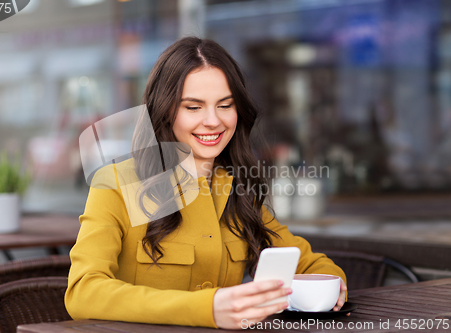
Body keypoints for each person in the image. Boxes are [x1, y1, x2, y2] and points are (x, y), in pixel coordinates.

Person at [65, 36, 347, 330]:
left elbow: (309, 264)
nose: (213, 121)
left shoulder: (237, 188)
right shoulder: (116, 184)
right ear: (165, 111)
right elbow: (83, 293)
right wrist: (208, 308)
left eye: (225, 105)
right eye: (193, 107)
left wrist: (333, 286)